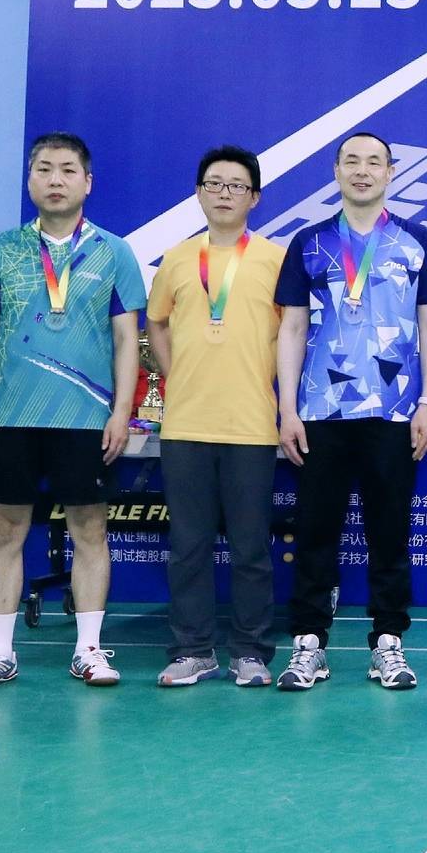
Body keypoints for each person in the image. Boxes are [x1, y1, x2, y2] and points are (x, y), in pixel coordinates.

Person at [0, 133, 144, 689]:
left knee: (90, 530)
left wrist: (121, 412)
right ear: (30, 179)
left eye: (67, 170)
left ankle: (89, 649)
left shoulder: (114, 252)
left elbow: (126, 340)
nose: (55, 180)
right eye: (44, 169)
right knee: (4, 530)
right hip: (9, 416)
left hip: (86, 418)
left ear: (88, 182)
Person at [272, 132, 427, 693]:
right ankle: (308, 644)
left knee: (389, 532)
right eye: (352, 161)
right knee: (315, 530)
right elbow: (291, 328)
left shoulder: (417, 240)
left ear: (391, 172)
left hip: (395, 412)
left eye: (374, 162)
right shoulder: (309, 242)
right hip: (321, 410)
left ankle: (388, 643)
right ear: (336, 170)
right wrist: (287, 408)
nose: (363, 170)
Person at [149, 146, 285, 688]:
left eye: (236, 186)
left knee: (251, 548)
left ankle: (250, 651)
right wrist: (175, 373)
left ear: (255, 197)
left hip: (252, 424)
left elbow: (294, 333)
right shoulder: (177, 259)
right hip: (186, 425)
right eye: (214, 184)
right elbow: (156, 322)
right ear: (199, 194)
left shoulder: (275, 259)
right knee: (188, 547)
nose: (224, 194)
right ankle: (192, 649)